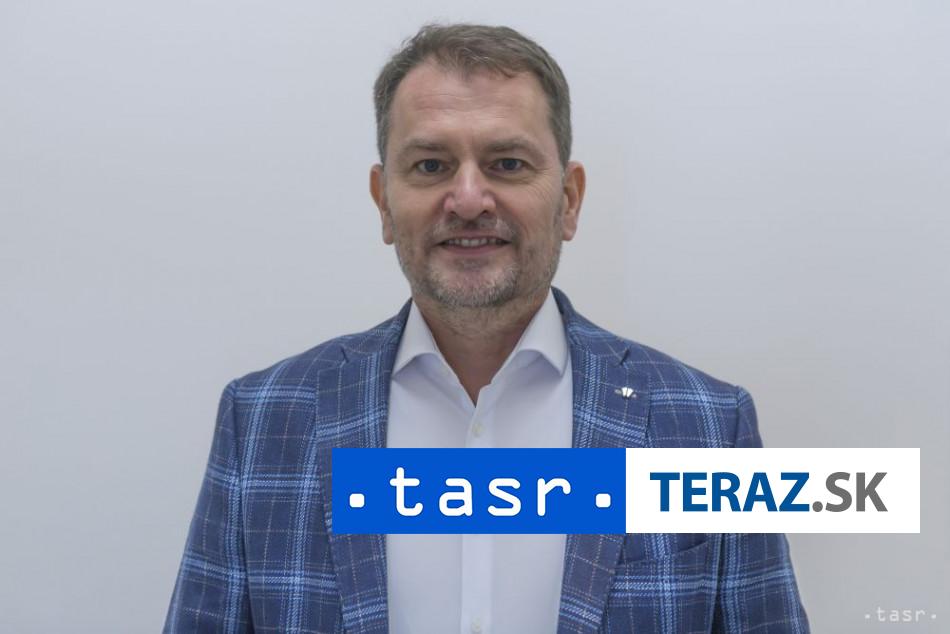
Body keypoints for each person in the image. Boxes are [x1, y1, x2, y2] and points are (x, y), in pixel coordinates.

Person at [164, 23, 810, 634]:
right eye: (430, 165)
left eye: (507, 163)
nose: (469, 199)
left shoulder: (708, 427)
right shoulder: (263, 420)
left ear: (569, 200)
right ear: (383, 201)